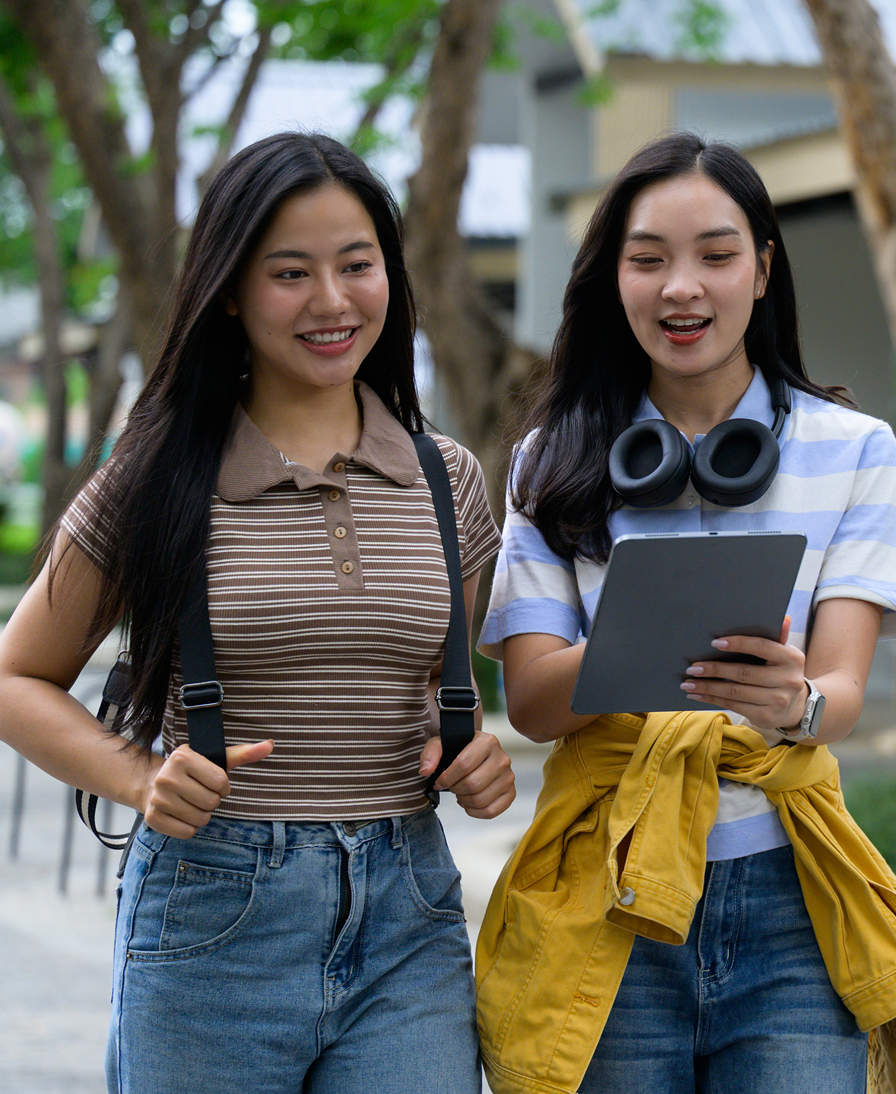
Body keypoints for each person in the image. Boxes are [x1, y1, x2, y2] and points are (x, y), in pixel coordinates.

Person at [0, 131, 515, 1094]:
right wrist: (141, 776)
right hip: (213, 910)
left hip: (409, 909)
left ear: (389, 280)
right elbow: (15, 678)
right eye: (290, 272)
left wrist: (472, 759)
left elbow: (426, 696)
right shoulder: (157, 475)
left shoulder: (449, 483)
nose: (331, 300)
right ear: (231, 290)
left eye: (356, 265)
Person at [473, 132, 896, 1093]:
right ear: (612, 278)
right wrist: (644, 645)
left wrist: (790, 704)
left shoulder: (855, 449)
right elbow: (536, 704)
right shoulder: (552, 459)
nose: (682, 287)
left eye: (715, 255)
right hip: (607, 888)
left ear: (761, 269)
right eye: (648, 260)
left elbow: (836, 690)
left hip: (793, 898)